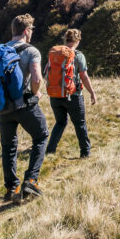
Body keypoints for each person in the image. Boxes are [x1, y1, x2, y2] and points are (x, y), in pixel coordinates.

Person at [0, 13, 48, 202]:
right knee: (41, 136)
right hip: (23, 105)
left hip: (3, 108)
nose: (31, 33)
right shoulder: (32, 51)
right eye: (31, 29)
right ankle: (31, 180)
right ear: (25, 31)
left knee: (8, 147)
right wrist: (36, 93)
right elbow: (37, 79)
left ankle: (12, 189)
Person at [46, 27, 97, 158]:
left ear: (65, 39)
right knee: (80, 124)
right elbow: (84, 76)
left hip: (55, 95)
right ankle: (85, 153)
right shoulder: (78, 55)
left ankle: (50, 150)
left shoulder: (56, 53)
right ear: (78, 40)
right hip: (73, 96)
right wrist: (92, 93)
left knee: (60, 122)